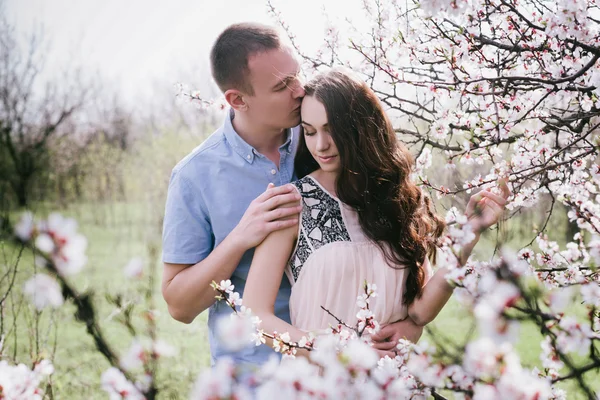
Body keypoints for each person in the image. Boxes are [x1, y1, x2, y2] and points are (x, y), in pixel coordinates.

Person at [161, 23, 422, 365]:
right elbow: (179, 306)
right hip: (251, 372)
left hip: (351, 367)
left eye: (297, 75)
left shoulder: (324, 142)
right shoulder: (195, 175)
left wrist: (408, 325)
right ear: (238, 100)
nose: (299, 91)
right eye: (283, 86)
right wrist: (241, 237)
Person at [243, 69, 510, 351]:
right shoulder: (292, 204)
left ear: (362, 128)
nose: (320, 145)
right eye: (310, 132)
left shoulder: (398, 199)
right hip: (321, 384)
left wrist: (470, 232)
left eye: (333, 130)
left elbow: (419, 312)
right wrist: (339, 351)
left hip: (394, 383)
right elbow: (255, 315)